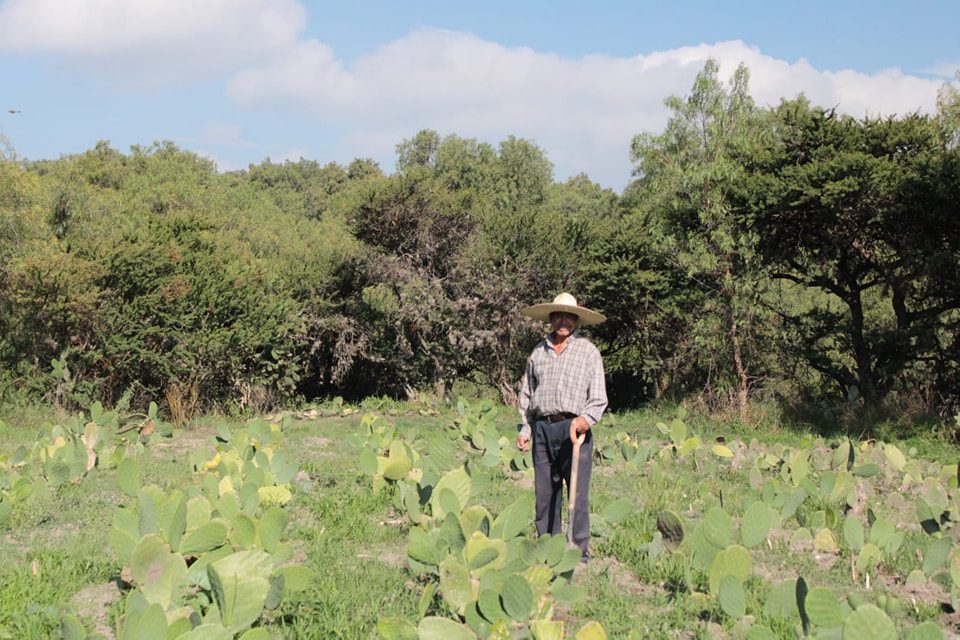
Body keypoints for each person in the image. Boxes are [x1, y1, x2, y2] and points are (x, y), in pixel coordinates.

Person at [517, 292, 607, 562]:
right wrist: (525, 429)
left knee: (577, 493)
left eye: (569, 316)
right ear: (551, 319)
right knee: (545, 493)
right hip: (543, 428)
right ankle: (546, 547)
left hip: (574, 429)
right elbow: (527, 395)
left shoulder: (588, 352)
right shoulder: (537, 352)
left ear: (576, 320)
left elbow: (599, 398)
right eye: (558, 316)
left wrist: (584, 420)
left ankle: (578, 552)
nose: (563, 321)